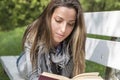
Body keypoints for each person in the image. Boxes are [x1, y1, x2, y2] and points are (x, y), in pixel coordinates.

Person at [17, 0, 86, 80]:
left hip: (54, 65)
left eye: (70, 24)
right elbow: (33, 76)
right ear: (48, 17)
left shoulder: (73, 42)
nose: (63, 30)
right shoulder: (34, 34)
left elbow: (65, 77)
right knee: (24, 64)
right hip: (26, 61)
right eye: (58, 20)